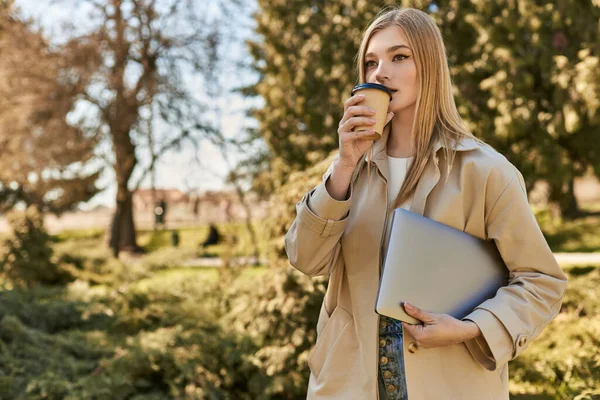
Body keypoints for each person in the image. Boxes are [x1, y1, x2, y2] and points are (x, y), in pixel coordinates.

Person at [284, 7, 567, 400]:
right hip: (350, 386)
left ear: (429, 66)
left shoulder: (485, 171)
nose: (380, 72)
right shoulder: (350, 171)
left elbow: (542, 282)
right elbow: (305, 258)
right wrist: (344, 165)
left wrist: (472, 327)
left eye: (399, 57)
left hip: (451, 384)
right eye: (370, 62)